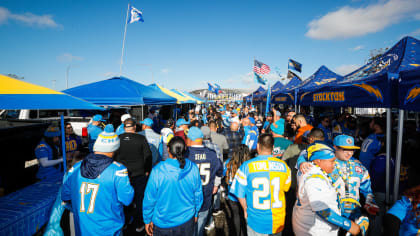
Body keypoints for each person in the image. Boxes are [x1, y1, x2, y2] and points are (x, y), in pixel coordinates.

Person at [62, 124, 134, 236]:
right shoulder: (118, 170)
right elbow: (127, 199)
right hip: (109, 229)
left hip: (82, 228)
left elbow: (65, 197)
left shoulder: (76, 168)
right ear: (115, 149)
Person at [292, 143, 361, 236]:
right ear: (318, 161)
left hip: (307, 226)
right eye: (331, 161)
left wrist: (301, 161)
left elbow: (305, 153)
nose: (334, 164)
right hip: (315, 231)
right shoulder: (314, 179)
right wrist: (348, 225)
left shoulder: (307, 168)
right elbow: (322, 211)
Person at [230, 134, 291, 236]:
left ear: (258, 146)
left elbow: (239, 193)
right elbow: (286, 188)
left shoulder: (246, 166)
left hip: (256, 219)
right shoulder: (284, 166)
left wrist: (245, 208)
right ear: (272, 148)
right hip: (277, 219)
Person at [143, 137, 203, 236]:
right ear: (184, 149)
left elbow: (149, 199)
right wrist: (196, 212)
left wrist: (147, 219)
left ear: (168, 149)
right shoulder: (193, 167)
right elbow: (198, 194)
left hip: (163, 223)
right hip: (187, 220)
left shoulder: (158, 170)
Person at [115, 118, 152, 232]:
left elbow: (114, 156)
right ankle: (138, 223)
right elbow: (148, 156)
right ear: (135, 127)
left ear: (124, 127)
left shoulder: (118, 138)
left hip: (122, 175)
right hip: (139, 173)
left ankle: (125, 222)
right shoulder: (141, 138)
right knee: (139, 199)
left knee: (122, 198)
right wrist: (147, 170)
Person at [185, 127, 223, 236]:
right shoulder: (212, 154)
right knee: (199, 228)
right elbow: (220, 171)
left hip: (187, 198)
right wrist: (216, 185)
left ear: (190, 139)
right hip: (205, 194)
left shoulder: (186, 154)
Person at [224, 144, 251, 236]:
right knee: (245, 216)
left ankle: (237, 233)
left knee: (235, 216)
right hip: (245, 197)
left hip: (232, 196)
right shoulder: (249, 165)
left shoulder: (228, 163)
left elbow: (224, 177)